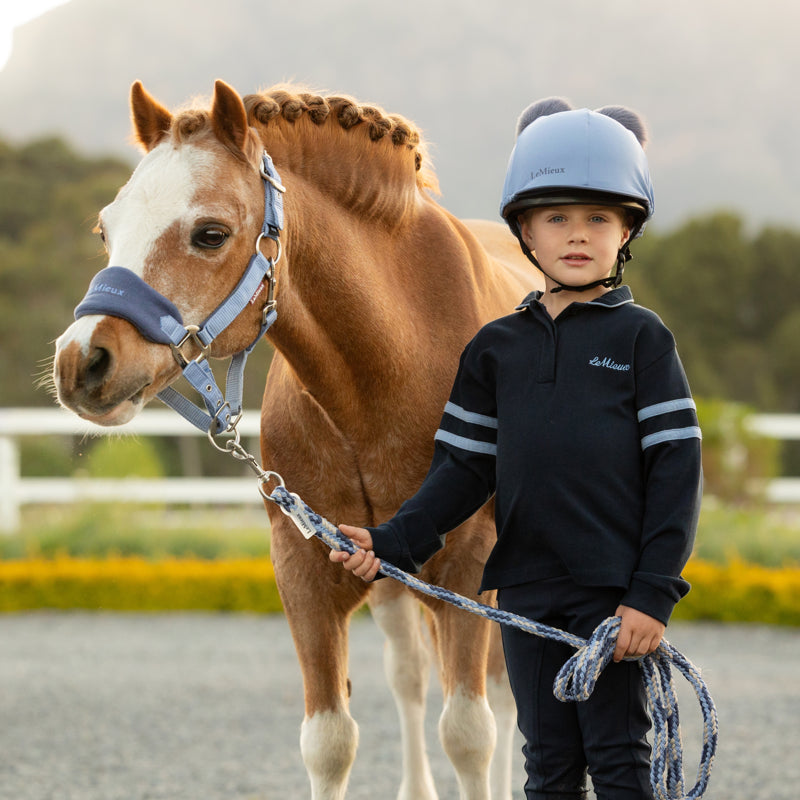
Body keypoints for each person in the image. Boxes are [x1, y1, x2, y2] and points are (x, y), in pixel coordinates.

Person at [330, 97, 703, 800]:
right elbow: (463, 470)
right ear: (524, 229)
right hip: (526, 593)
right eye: (556, 217)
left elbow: (676, 474)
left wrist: (651, 596)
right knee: (548, 764)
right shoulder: (495, 348)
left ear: (627, 230)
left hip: (613, 597)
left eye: (599, 217)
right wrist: (392, 541)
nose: (576, 234)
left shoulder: (642, 341)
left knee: (621, 759)